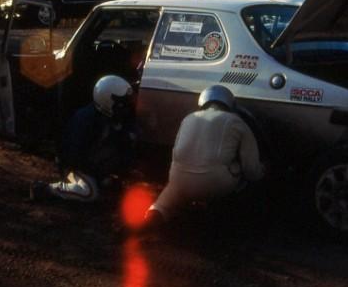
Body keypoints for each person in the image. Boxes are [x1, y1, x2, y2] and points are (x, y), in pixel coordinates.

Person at [142, 85, 265, 231]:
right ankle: (225, 214)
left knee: (163, 204)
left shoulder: (188, 118)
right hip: (216, 183)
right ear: (229, 104)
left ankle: (153, 215)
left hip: (179, 180)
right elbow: (251, 169)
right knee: (242, 172)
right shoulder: (236, 121)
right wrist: (264, 171)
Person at [31, 75, 136, 202]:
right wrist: (95, 172)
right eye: (121, 104)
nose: (125, 108)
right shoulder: (85, 120)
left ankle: (99, 181)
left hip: (92, 162)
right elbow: (73, 156)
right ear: (108, 101)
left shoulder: (115, 118)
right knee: (89, 193)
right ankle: (46, 189)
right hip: (74, 166)